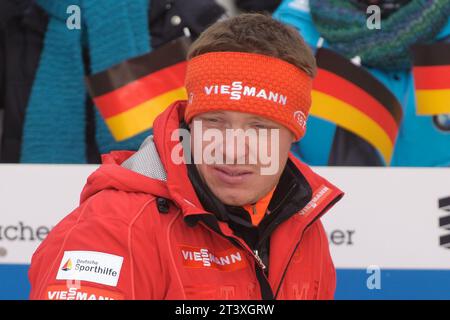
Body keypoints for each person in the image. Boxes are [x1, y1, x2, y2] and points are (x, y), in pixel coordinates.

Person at [29, 13, 344, 300]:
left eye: (259, 128)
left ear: (295, 132)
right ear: (191, 124)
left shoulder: (303, 226)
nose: (232, 150)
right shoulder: (114, 227)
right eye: (214, 122)